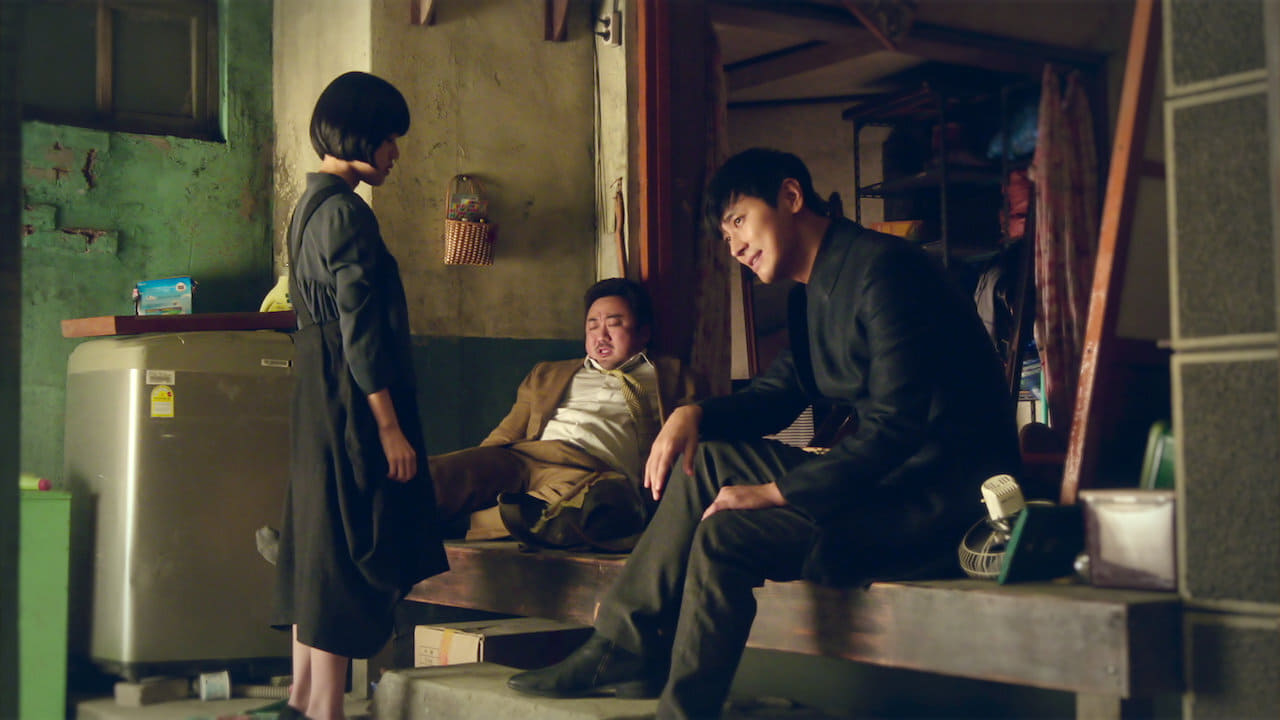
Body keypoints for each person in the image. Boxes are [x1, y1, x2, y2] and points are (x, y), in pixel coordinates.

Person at [507, 148, 1021, 718]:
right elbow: (777, 397)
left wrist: (777, 493)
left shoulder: (886, 270)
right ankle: (630, 654)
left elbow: (897, 427)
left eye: (738, 220)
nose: (734, 247)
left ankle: (642, 667)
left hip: (939, 496)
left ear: (791, 197)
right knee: (707, 470)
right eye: (726, 235)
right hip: (881, 480)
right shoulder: (809, 295)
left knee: (723, 521)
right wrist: (694, 414)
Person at [270, 71, 448, 720]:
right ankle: (325, 710)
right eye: (389, 138)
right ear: (360, 136)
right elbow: (361, 331)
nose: (395, 153)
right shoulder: (347, 213)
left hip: (317, 388)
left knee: (321, 539)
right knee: (351, 546)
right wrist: (389, 427)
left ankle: (304, 699)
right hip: (350, 392)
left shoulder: (309, 206)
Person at [430, 277, 704, 547]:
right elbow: (506, 433)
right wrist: (477, 470)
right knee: (437, 475)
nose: (601, 335)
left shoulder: (674, 377)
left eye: (614, 323)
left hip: (591, 472)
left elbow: (694, 440)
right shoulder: (547, 373)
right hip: (524, 458)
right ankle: (491, 518)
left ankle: (466, 522)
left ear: (644, 332)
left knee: (581, 508)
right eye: (592, 325)